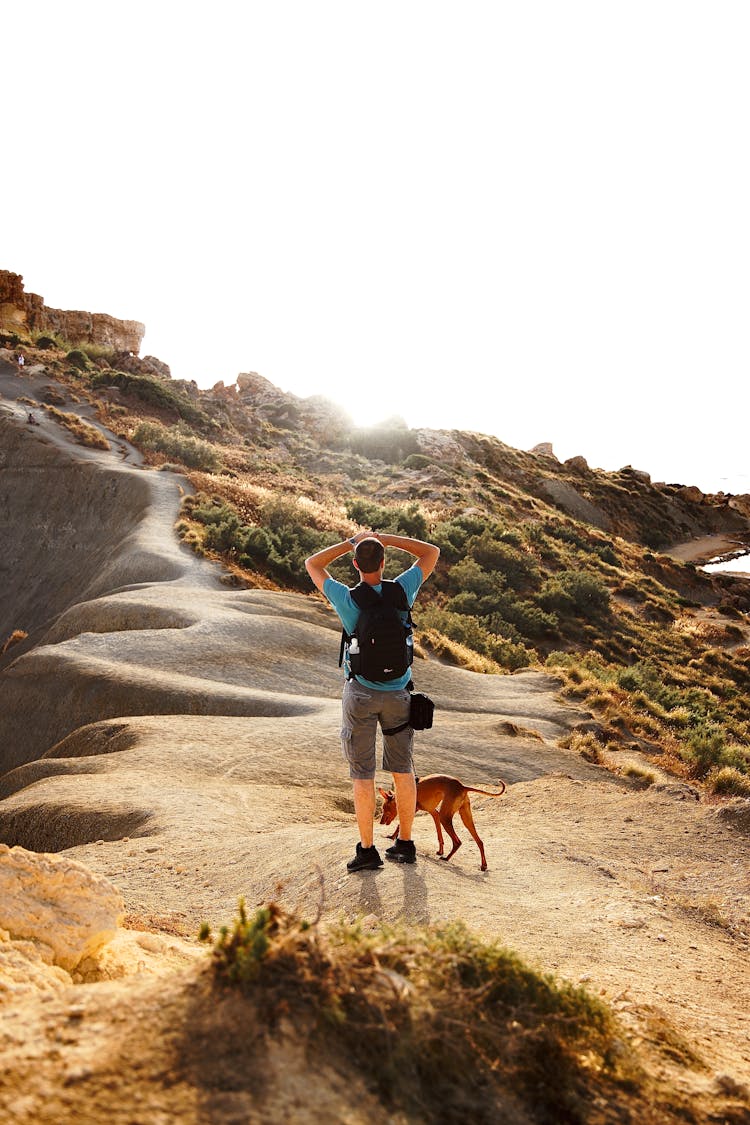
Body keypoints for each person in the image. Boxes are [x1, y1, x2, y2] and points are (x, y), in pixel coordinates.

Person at [305, 529, 440, 872]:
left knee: (362, 776)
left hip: (361, 694)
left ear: (355, 564)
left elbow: (313, 563)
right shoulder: (402, 589)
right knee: (403, 770)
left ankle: (367, 851)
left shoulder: (346, 598)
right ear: (384, 562)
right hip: (399, 694)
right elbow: (431, 553)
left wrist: (350, 543)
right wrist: (389, 541)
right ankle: (405, 844)